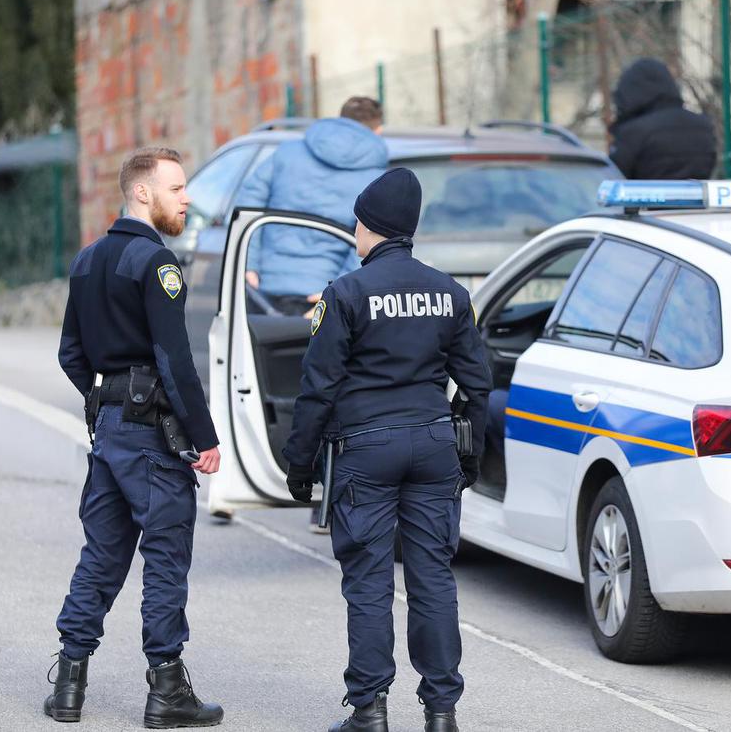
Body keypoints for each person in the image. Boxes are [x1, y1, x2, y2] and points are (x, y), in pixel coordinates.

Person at [283, 168, 493, 732]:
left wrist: (299, 465)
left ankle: (370, 711)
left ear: (369, 227)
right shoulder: (451, 294)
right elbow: (478, 385)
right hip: (432, 445)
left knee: (370, 582)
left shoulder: (345, 293)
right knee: (432, 579)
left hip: (365, 452)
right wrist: (467, 454)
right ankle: (442, 712)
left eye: (357, 224)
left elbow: (318, 386)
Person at [48, 146, 224, 728]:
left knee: (101, 554)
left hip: (109, 431)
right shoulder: (157, 263)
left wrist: (105, 399)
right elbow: (174, 360)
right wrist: (205, 437)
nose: (186, 198)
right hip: (151, 435)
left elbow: (70, 354)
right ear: (142, 193)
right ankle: (167, 689)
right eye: (176, 188)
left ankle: (69, 684)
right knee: (166, 557)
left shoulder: (86, 260)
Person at [235, 96, 388, 317]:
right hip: (325, 293)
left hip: (264, 285)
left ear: (340, 120)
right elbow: (373, 236)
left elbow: (249, 200)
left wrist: (249, 263)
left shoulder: (286, 153)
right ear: (378, 130)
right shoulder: (376, 177)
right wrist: (339, 289)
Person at [608, 57, 716, 181]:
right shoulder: (703, 126)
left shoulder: (634, 131)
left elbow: (614, 175)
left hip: (645, 199)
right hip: (696, 199)